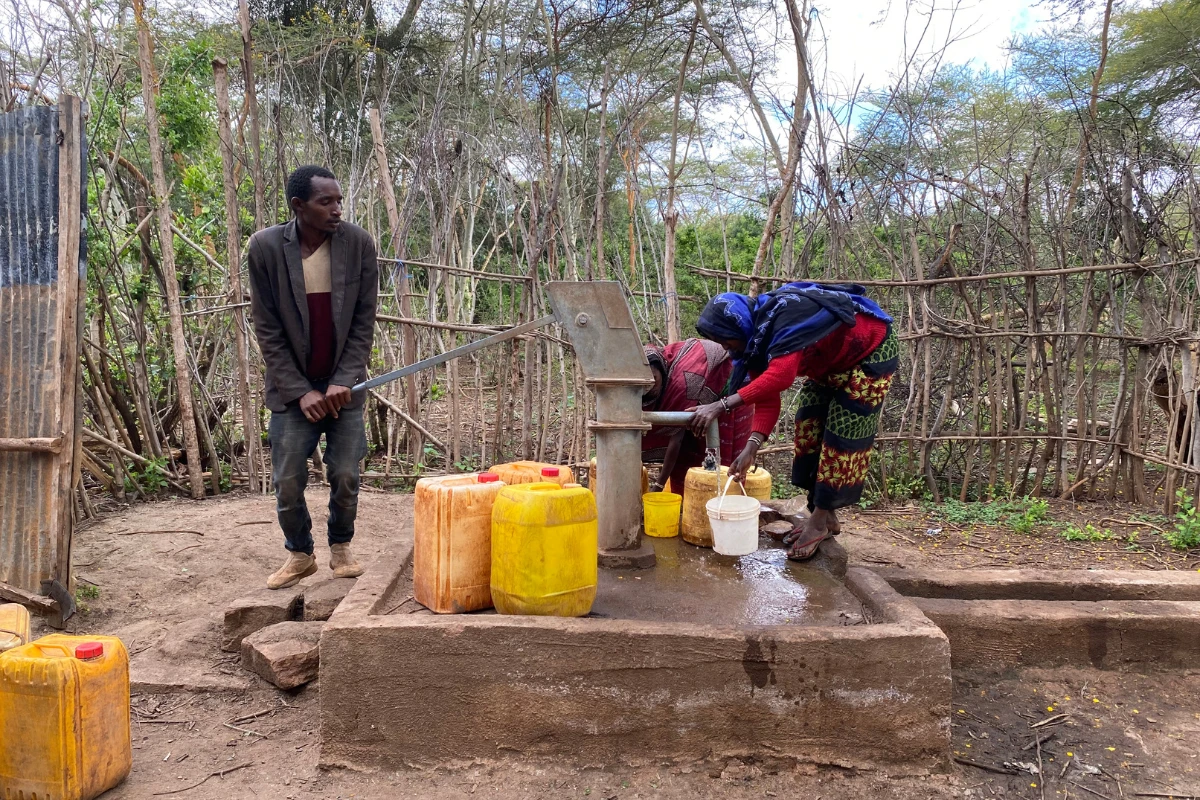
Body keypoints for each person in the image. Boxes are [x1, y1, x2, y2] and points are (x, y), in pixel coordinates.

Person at [690, 283, 897, 560]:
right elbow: (767, 397)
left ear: (738, 327)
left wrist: (721, 405)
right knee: (808, 428)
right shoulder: (754, 344)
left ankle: (819, 521)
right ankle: (826, 517)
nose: (727, 350)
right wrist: (751, 447)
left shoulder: (785, 318)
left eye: (727, 341)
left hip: (870, 352)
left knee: (842, 437)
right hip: (831, 363)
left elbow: (780, 377)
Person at [248, 165, 378, 589]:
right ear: (298, 206)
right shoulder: (266, 248)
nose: (337, 209)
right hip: (292, 392)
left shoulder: (358, 245)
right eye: (327, 202)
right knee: (286, 478)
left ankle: (340, 547)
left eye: (339, 200)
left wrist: (344, 378)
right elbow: (267, 328)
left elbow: (363, 322)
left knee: (345, 472)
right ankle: (301, 554)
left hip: (345, 390)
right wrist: (301, 390)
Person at [641, 339, 755, 496]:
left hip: (733, 398)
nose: (651, 385)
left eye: (654, 378)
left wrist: (659, 485)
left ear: (661, 369)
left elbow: (676, 438)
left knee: (723, 467)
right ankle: (689, 507)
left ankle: (722, 508)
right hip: (700, 405)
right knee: (688, 458)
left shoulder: (682, 385)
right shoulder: (650, 387)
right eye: (645, 383)